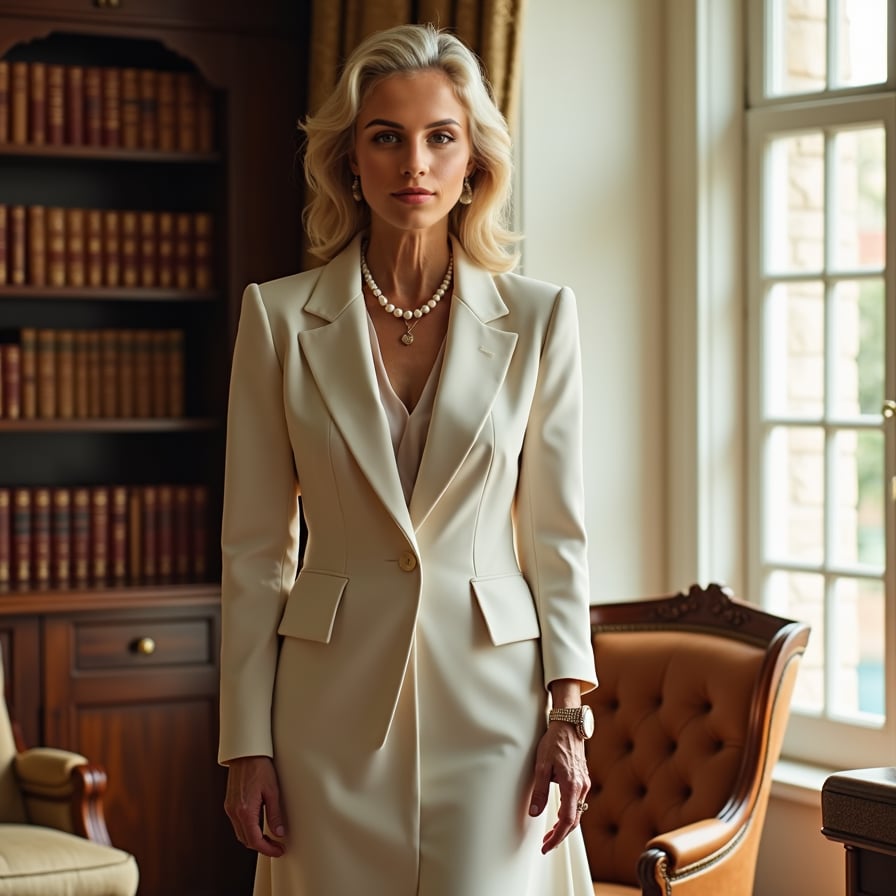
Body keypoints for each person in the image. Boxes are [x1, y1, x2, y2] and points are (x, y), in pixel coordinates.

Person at [218, 22, 599, 896]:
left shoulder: (541, 320)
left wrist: (568, 717)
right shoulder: (278, 320)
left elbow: (557, 539)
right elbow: (255, 550)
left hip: (496, 714)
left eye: (440, 138)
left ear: (475, 162)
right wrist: (247, 743)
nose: (413, 163)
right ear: (350, 159)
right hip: (325, 713)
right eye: (386, 137)